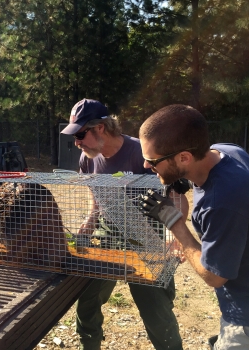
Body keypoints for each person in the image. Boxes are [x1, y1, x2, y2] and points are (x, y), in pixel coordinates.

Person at [138, 104, 249, 350]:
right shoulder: (228, 151)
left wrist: (173, 222)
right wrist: (181, 180)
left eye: (152, 160)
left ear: (184, 157)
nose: (147, 166)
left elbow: (214, 276)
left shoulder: (222, 204)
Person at [61, 98, 186, 350]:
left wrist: (175, 235)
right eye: (74, 136)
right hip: (107, 232)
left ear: (100, 128)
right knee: (87, 300)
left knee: (156, 310)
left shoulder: (143, 152)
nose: (76, 143)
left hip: (146, 234)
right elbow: (97, 203)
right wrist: (84, 231)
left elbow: (177, 195)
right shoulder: (88, 159)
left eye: (81, 134)